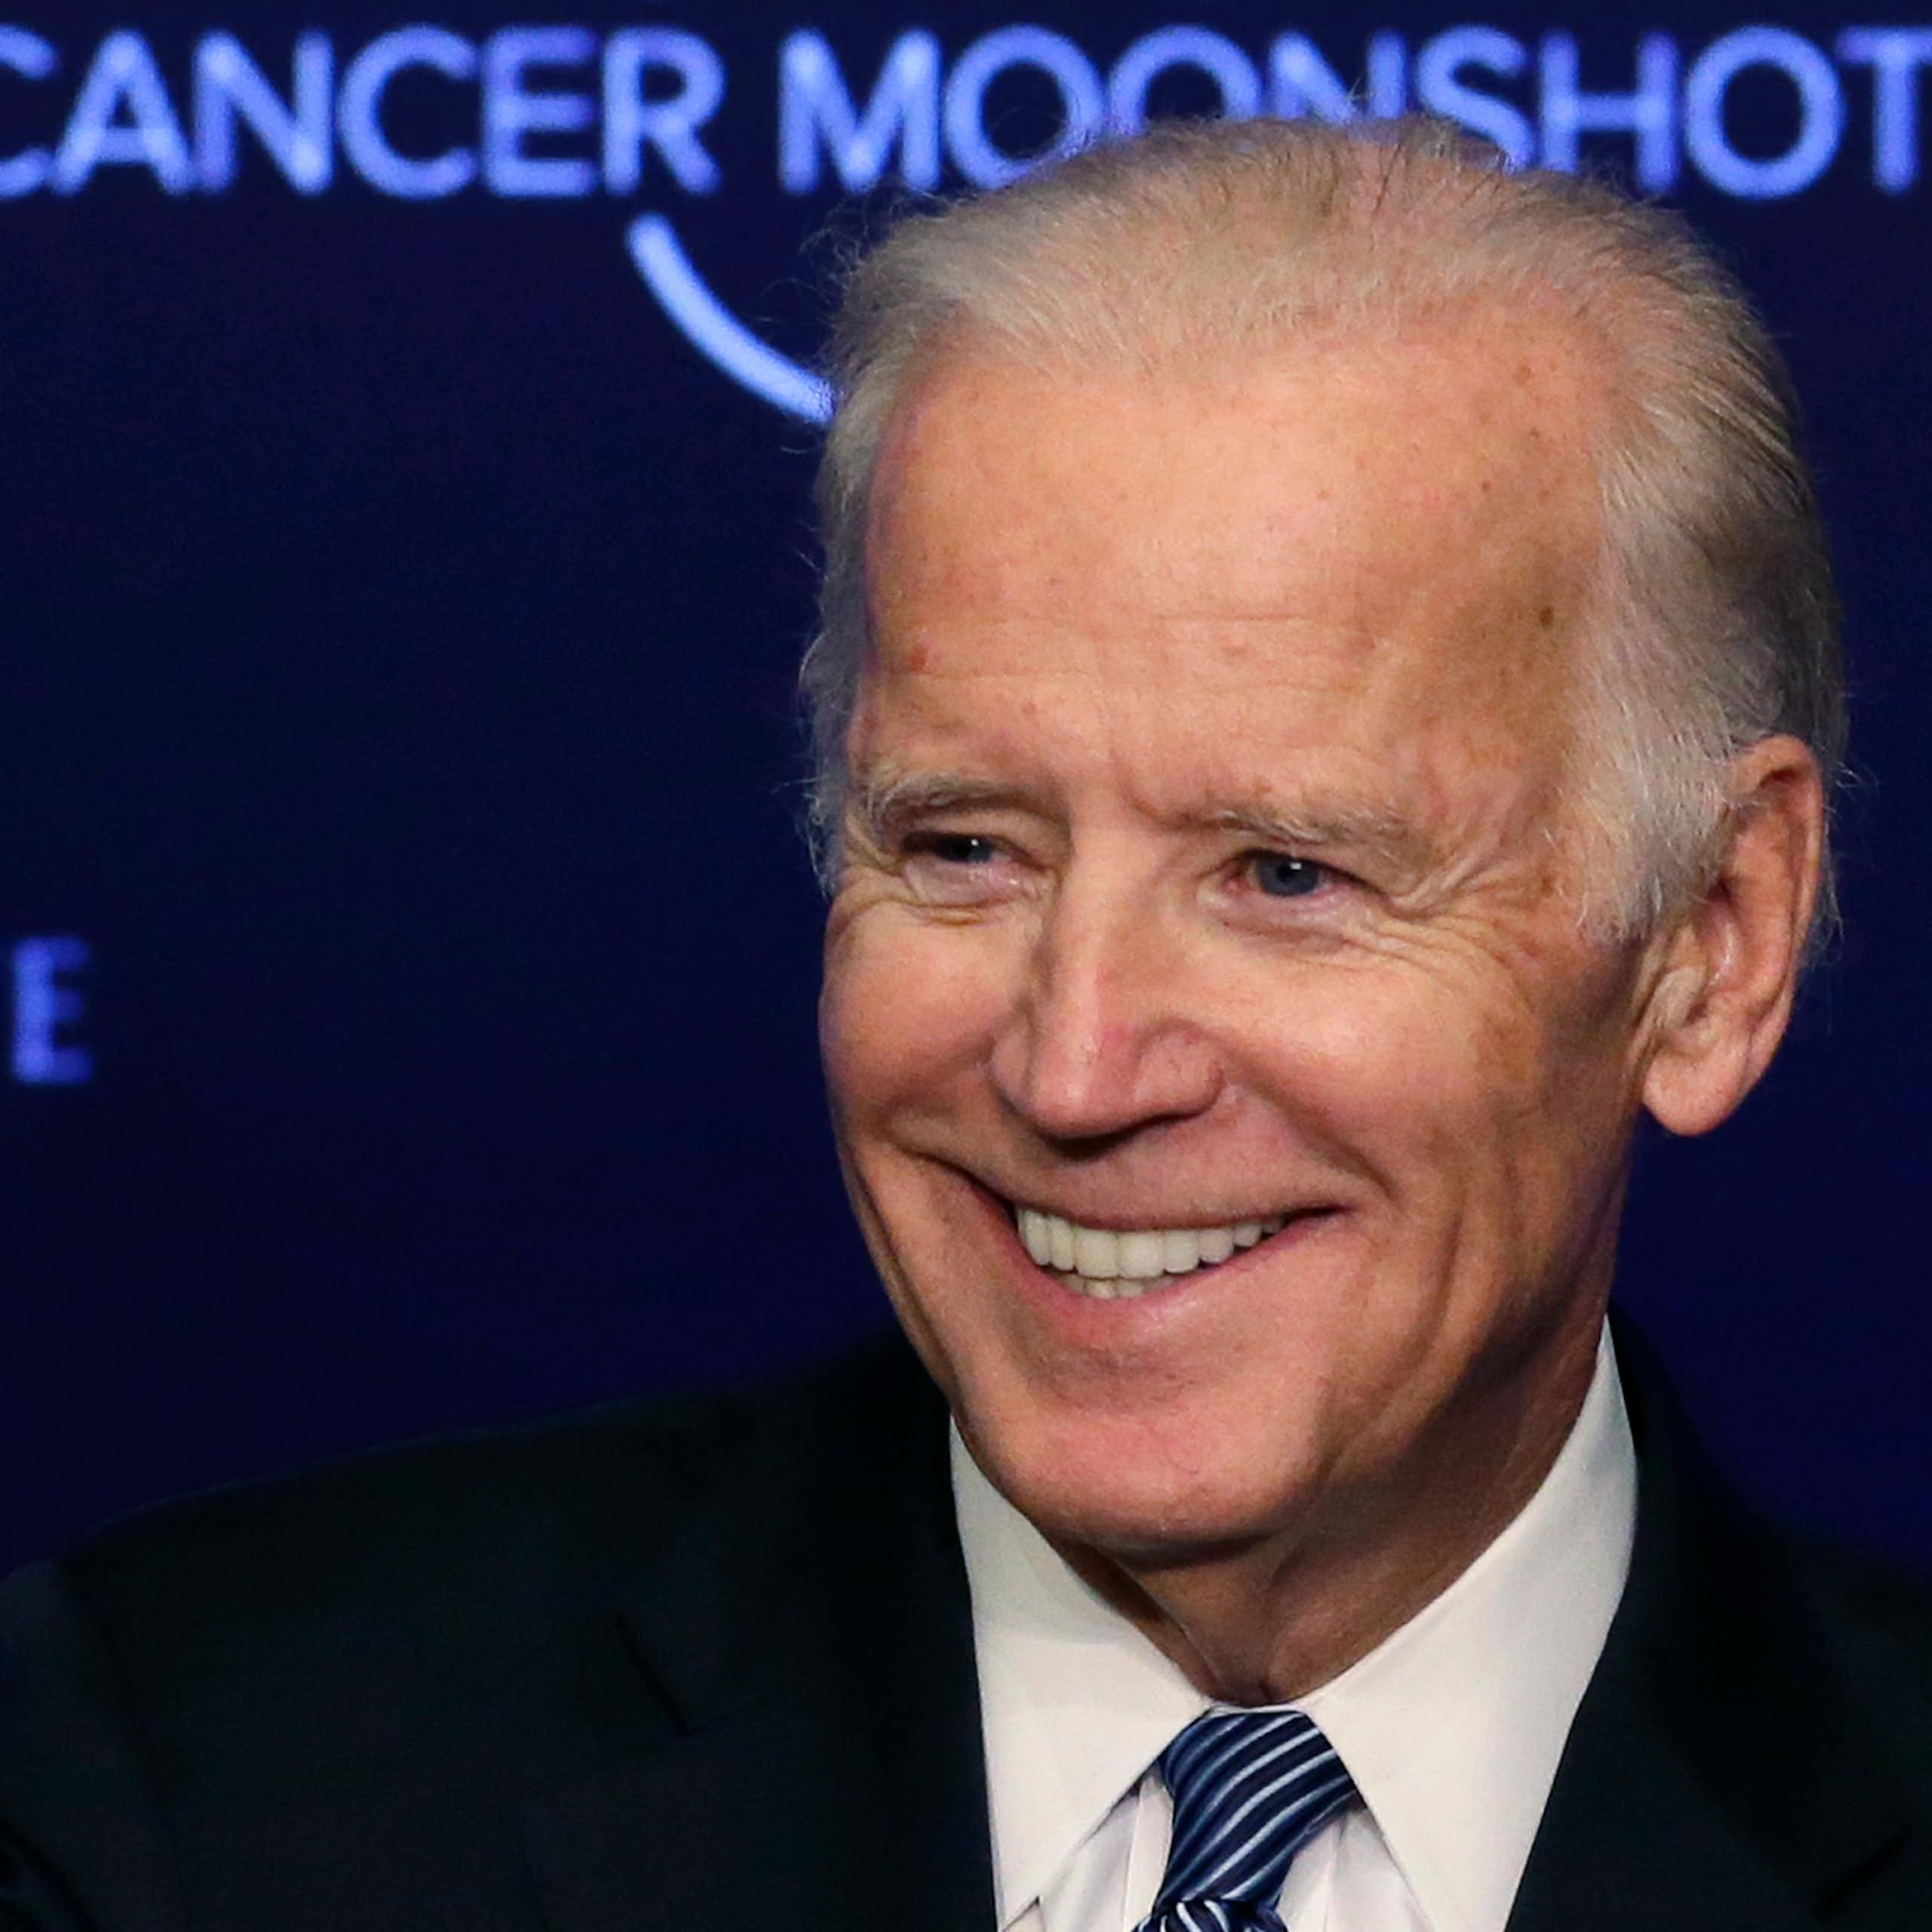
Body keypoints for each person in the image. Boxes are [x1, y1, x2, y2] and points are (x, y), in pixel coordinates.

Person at [2, 115, 1928, 1931]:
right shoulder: (196, 1784)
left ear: (1706, 940)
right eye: (966, 844)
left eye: (1283, 874)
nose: (1072, 1066)